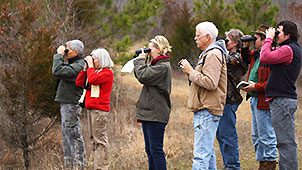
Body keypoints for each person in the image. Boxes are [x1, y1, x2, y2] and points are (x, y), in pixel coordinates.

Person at [179, 21, 227, 170]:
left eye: (198, 35)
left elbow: (211, 82)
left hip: (207, 109)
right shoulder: (210, 53)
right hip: (205, 109)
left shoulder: (213, 54)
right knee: (208, 153)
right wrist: (191, 73)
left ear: (207, 37)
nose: (195, 38)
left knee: (200, 156)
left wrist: (190, 71)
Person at [260, 20, 301, 170]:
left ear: (288, 34)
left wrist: (269, 38)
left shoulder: (288, 49)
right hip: (282, 100)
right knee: (284, 141)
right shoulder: (289, 48)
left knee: (285, 142)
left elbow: (264, 57)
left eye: (279, 32)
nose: (277, 35)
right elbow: (267, 59)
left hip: (282, 101)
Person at [241, 25, 277, 170]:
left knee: (266, 134)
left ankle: (270, 162)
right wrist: (244, 46)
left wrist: (255, 87)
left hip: (264, 100)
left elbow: (272, 83)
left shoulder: (271, 57)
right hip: (255, 99)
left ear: (264, 40)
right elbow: (244, 59)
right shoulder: (257, 55)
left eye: (255, 39)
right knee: (256, 135)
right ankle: (262, 163)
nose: (253, 41)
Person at [133, 35, 172, 170]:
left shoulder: (162, 67)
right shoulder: (156, 65)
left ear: (159, 49)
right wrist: (142, 60)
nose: (147, 52)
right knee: (149, 149)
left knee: (156, 150)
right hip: (150, 112)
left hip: (156, 113)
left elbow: (143, 75)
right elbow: (141, 74)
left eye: (149, 50)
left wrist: (140, 60)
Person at [76, 48, 114, 170]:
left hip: (100, 111)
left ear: (101, 60)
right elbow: (79, 83)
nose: (92, 61)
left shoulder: (107, 73)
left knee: (100, 140)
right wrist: (85, 69)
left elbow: (93, 80)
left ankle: (102, 167)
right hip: (91, 109)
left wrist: (91, 68)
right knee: (94, 140)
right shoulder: (94, 72)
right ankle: (97, 166)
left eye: (94, 59)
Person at [52, 39, 86, 169]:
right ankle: (69, 165)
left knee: (73, 134)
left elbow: (57, 70)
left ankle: (79, 165)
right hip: (67, 104)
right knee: (66, 136)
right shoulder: (73, 63)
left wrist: (59, 55)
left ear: (75, 52)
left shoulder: (79, 65)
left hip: (72, 104)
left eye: (68, 49)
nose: (65, 51)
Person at [216, 29, 247, 170]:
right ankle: (228, 164)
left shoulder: (237, 57)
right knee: (221, 135)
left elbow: (223, 61)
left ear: (235, 43)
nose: (225, 42)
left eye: (227, 40)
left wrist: (219, 47)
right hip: (223, 100)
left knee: (227, 135)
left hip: (230, 99)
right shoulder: (230, 55)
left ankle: (233, 166)